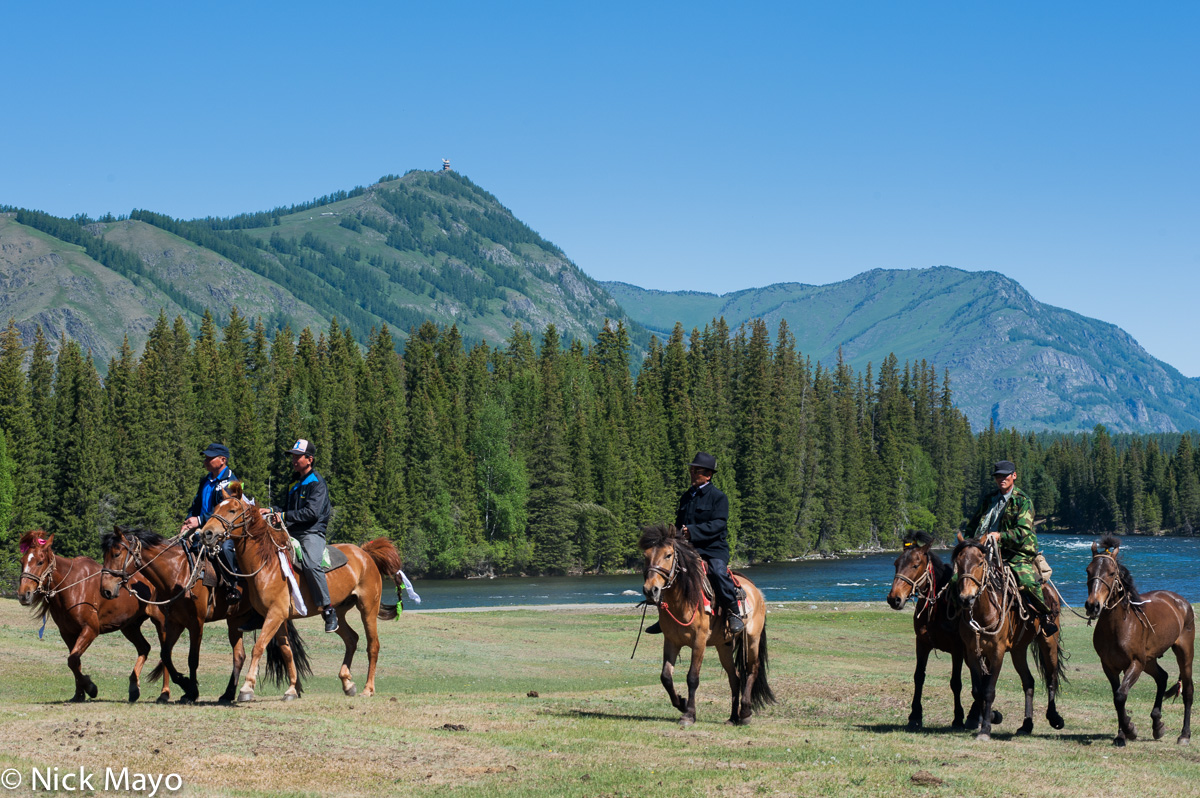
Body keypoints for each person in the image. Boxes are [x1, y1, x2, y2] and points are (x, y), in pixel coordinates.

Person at [647, 452, 745, 636]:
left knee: (717, 572)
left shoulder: (718, 497)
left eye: (696, 471)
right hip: (688, 549)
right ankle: (664, 617)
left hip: (713, 549)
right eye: (691, 470)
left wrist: (692, 531)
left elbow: (719, 524)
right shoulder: (686, 497)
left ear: (708, 474)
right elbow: (679, 523)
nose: (692, 474)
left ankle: (734, 612)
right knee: (668, 572)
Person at [965, 460, 1059, 636]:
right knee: (960, 576)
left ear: (1013, 476)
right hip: (985, 550)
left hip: (1017, 551)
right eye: (998, 476)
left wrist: (1000, 536)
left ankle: (1045, 616)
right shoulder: (989, 499)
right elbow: (973, 524)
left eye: (1005, 475)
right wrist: (967, 543)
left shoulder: (1023, 501)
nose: (1001, 479)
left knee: (1027, 582)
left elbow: (1023, 531)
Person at [260, 438, 338, 633]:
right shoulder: (294, 481)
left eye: (297, 456)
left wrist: (283, 516)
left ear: (309, 459)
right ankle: (259, 609)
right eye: (292, 456)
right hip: (291, 530)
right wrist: (269, 510)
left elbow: (312, 513)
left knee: (311, 563)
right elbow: (285, 508)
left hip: (311, 532)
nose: (294, 460)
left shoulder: (317, 482)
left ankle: (328, 609)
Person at [180, 442, 243, 602]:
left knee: (225, 549)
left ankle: (233, 586)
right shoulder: (205, 480)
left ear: (223, 460)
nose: (206, 461)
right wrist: (189, 521)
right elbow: (196, 504)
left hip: (222, 530)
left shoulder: (234, 482)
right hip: (201, 528)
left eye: (210, 458)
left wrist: (200, 519)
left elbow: (231, 510)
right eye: (205, 457)